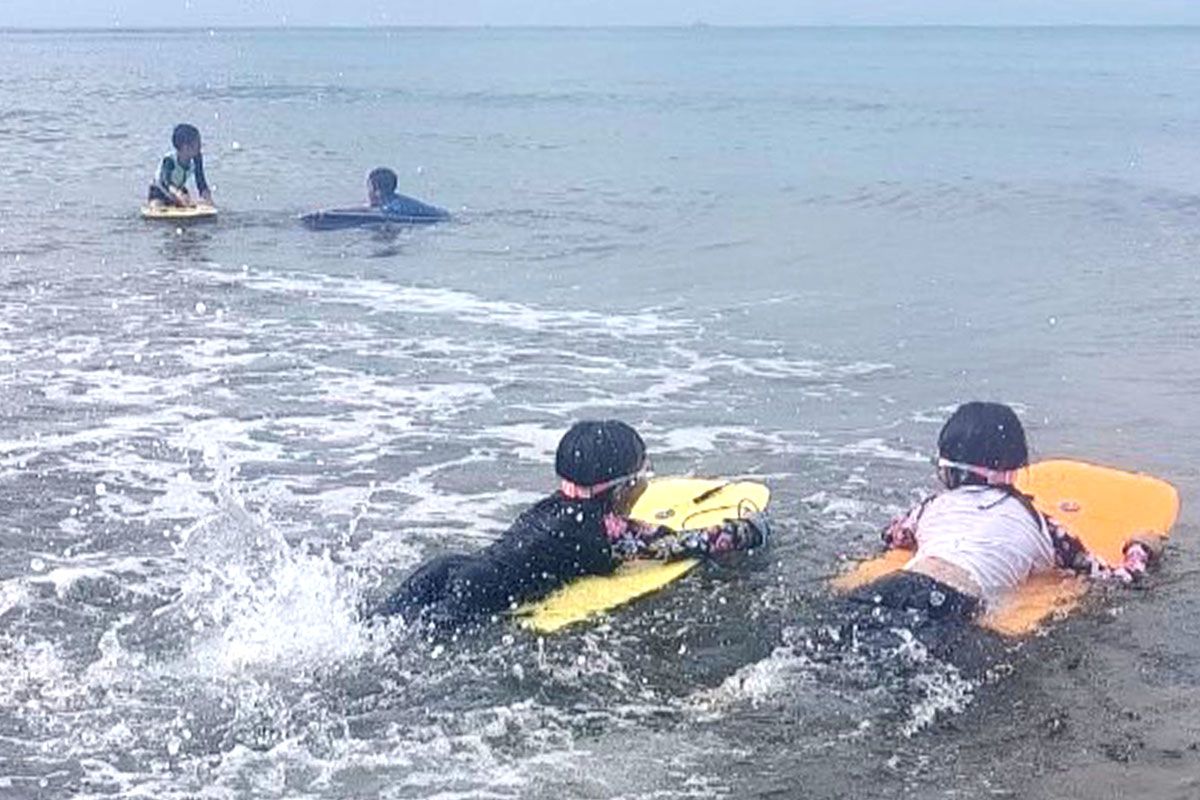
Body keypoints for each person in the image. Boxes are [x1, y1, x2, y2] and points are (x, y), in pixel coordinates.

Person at [375, 419, 769, 631]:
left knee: (377, 628)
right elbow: (684, 544)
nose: (648, 481)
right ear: (624, 486)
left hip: (448, 569)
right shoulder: (604, 533)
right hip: (479, 596)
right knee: (409, 648)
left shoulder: (558, 508)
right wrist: (748, 532)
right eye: (644, 473)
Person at [849, 401, 1162, 624]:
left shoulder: (929, 507)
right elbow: (1116, 580)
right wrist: (1140, 549)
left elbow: (893, 536)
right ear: (1016, 464)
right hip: (955, 604)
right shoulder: (1043, 527)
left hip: (891, 586)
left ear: (945, 469)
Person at [147, 123, 212, 207]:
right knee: (157, 205)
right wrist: (177, 194)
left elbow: (201, 181)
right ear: (185, 147)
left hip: (179, 188)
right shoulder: (170, 160)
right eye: (198, 144)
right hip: (159, 191)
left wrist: (207, 198)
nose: (200, 146)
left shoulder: (196, 159)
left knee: (188, 201)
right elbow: (166, 182)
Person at [366, 167, 448, 219]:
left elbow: (381, 213)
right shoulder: (397, 201)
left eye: (369, 188)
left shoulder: (393, 206)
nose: (368, 193)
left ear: (376, 188)